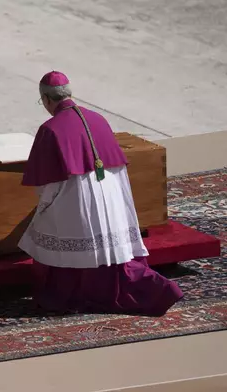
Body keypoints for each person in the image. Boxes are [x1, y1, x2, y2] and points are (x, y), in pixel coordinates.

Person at [18, 71, 183, 317]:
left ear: (45, 98)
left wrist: (44, 207)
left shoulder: (50, 129)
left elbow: (48, 186)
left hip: (77, 205)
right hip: (111, 201)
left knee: (45, 225)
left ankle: (65, 294)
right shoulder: (98, 119)